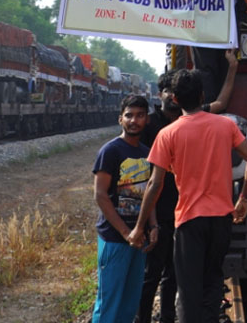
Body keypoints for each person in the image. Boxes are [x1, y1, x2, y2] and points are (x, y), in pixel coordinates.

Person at [128, 70, 247, 323]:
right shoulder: (225, 125)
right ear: (201, 95)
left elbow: (154, 183)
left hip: (189, 221)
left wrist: (140, 225)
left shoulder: (168, 134)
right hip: (221, 219)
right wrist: (244, 197)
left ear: (175, 99)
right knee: (212, 282)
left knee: (188, 289)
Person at [92, 94, 156, 323]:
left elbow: (150, 193)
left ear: (147, 119)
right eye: (129, 115)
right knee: (109, 304)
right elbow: (100, 195)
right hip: (115, 238)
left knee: (129, 304)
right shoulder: (110, 151)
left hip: (137, 239)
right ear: (120, 119)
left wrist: (152, 225)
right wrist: (125, 232)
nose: (134, 120)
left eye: (139, 116)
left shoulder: (147, 152)